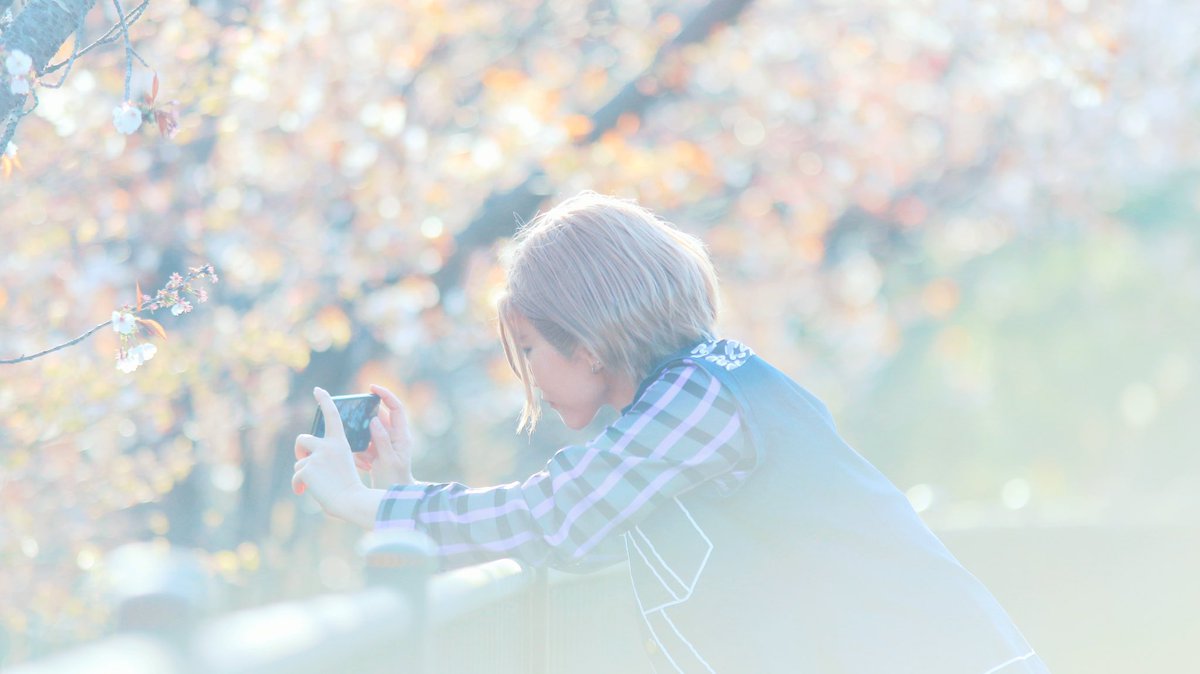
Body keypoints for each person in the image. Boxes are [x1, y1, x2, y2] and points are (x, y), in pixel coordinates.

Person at [292, 192, 1050, 673]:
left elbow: (558, 516)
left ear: (588, 341)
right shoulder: (698, 395)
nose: (527, 375)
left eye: (529, 349)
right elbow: (578, 523)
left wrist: (369, 506)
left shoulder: (702, 395)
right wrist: (402, 495)